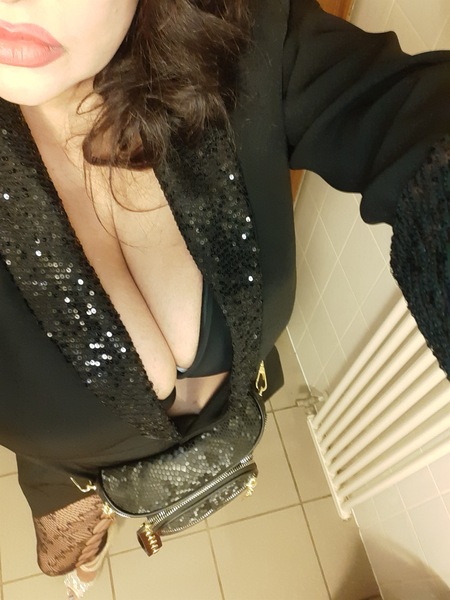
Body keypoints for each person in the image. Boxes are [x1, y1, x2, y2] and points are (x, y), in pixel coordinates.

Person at [0, 0, 449, 598]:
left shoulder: (234, 34)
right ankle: (90, 569)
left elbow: (415, 121)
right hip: (77, 480)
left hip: (233, 422)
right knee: (69, 553)